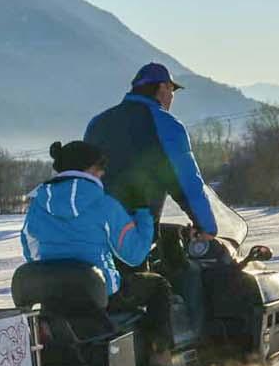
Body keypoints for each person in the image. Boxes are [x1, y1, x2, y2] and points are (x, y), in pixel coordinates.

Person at [21, 138, 166, 354]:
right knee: (158, 286)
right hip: (100, 297)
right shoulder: (105, 205)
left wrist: (57, 269)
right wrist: (144, 214)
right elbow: (134, 254)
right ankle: (161, 359)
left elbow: (30, 249)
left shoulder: (38, 206)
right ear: (88, 168)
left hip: (53, 300)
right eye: (100, 167)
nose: (103, 173)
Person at [85, 62, 218, 236]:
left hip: (94, 230)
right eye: (172, 90)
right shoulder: (166, 124)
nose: (171, 97)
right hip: (135, 232)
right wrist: (206, 226)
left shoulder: (97, 123)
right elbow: (187, 182)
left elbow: (83, 178)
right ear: (163, 87)